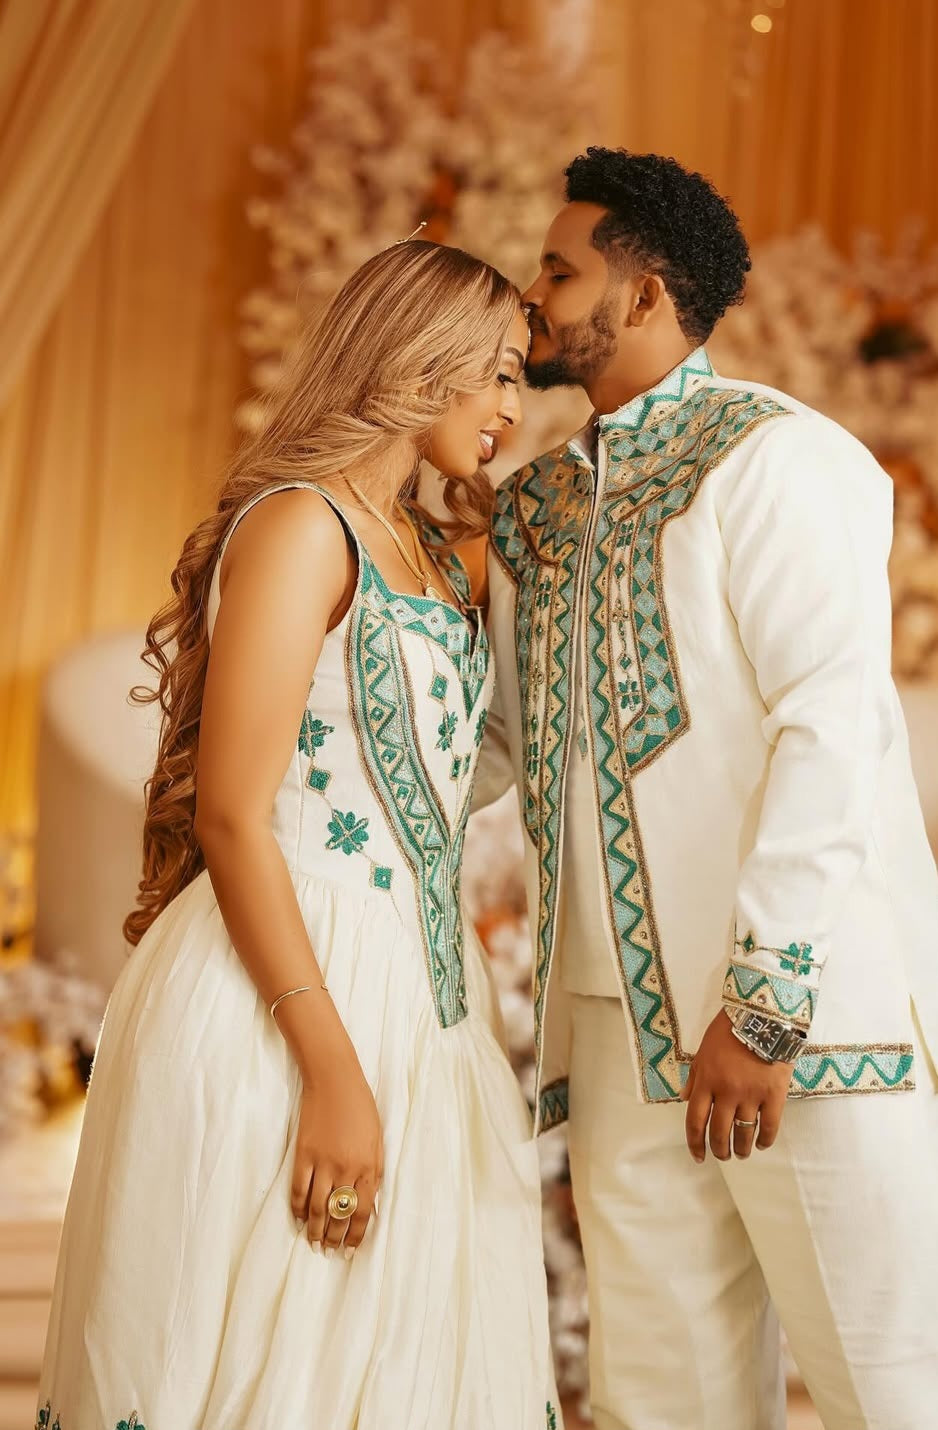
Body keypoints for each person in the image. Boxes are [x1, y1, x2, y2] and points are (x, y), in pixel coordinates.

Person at [37, 239, 562, 1430]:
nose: (507, 407)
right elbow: (232, 812)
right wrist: (330, 1068)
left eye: (518, 376)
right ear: (413, 362)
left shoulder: (433, 556)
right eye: (489, 373)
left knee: (403, 1366)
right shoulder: (296, 526)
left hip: (430, 1002)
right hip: (285, 994)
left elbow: (448, 772)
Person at [477, 146, 938, 1430]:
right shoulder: (532, 507)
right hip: (615, 1030)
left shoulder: (780, 459)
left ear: (643, 294)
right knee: (654, 1402)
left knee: (886, 1387)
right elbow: (504, 743)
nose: (533, 291)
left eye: (561, 269)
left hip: (796, 1027)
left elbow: (831, 725)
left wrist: (765, 999)